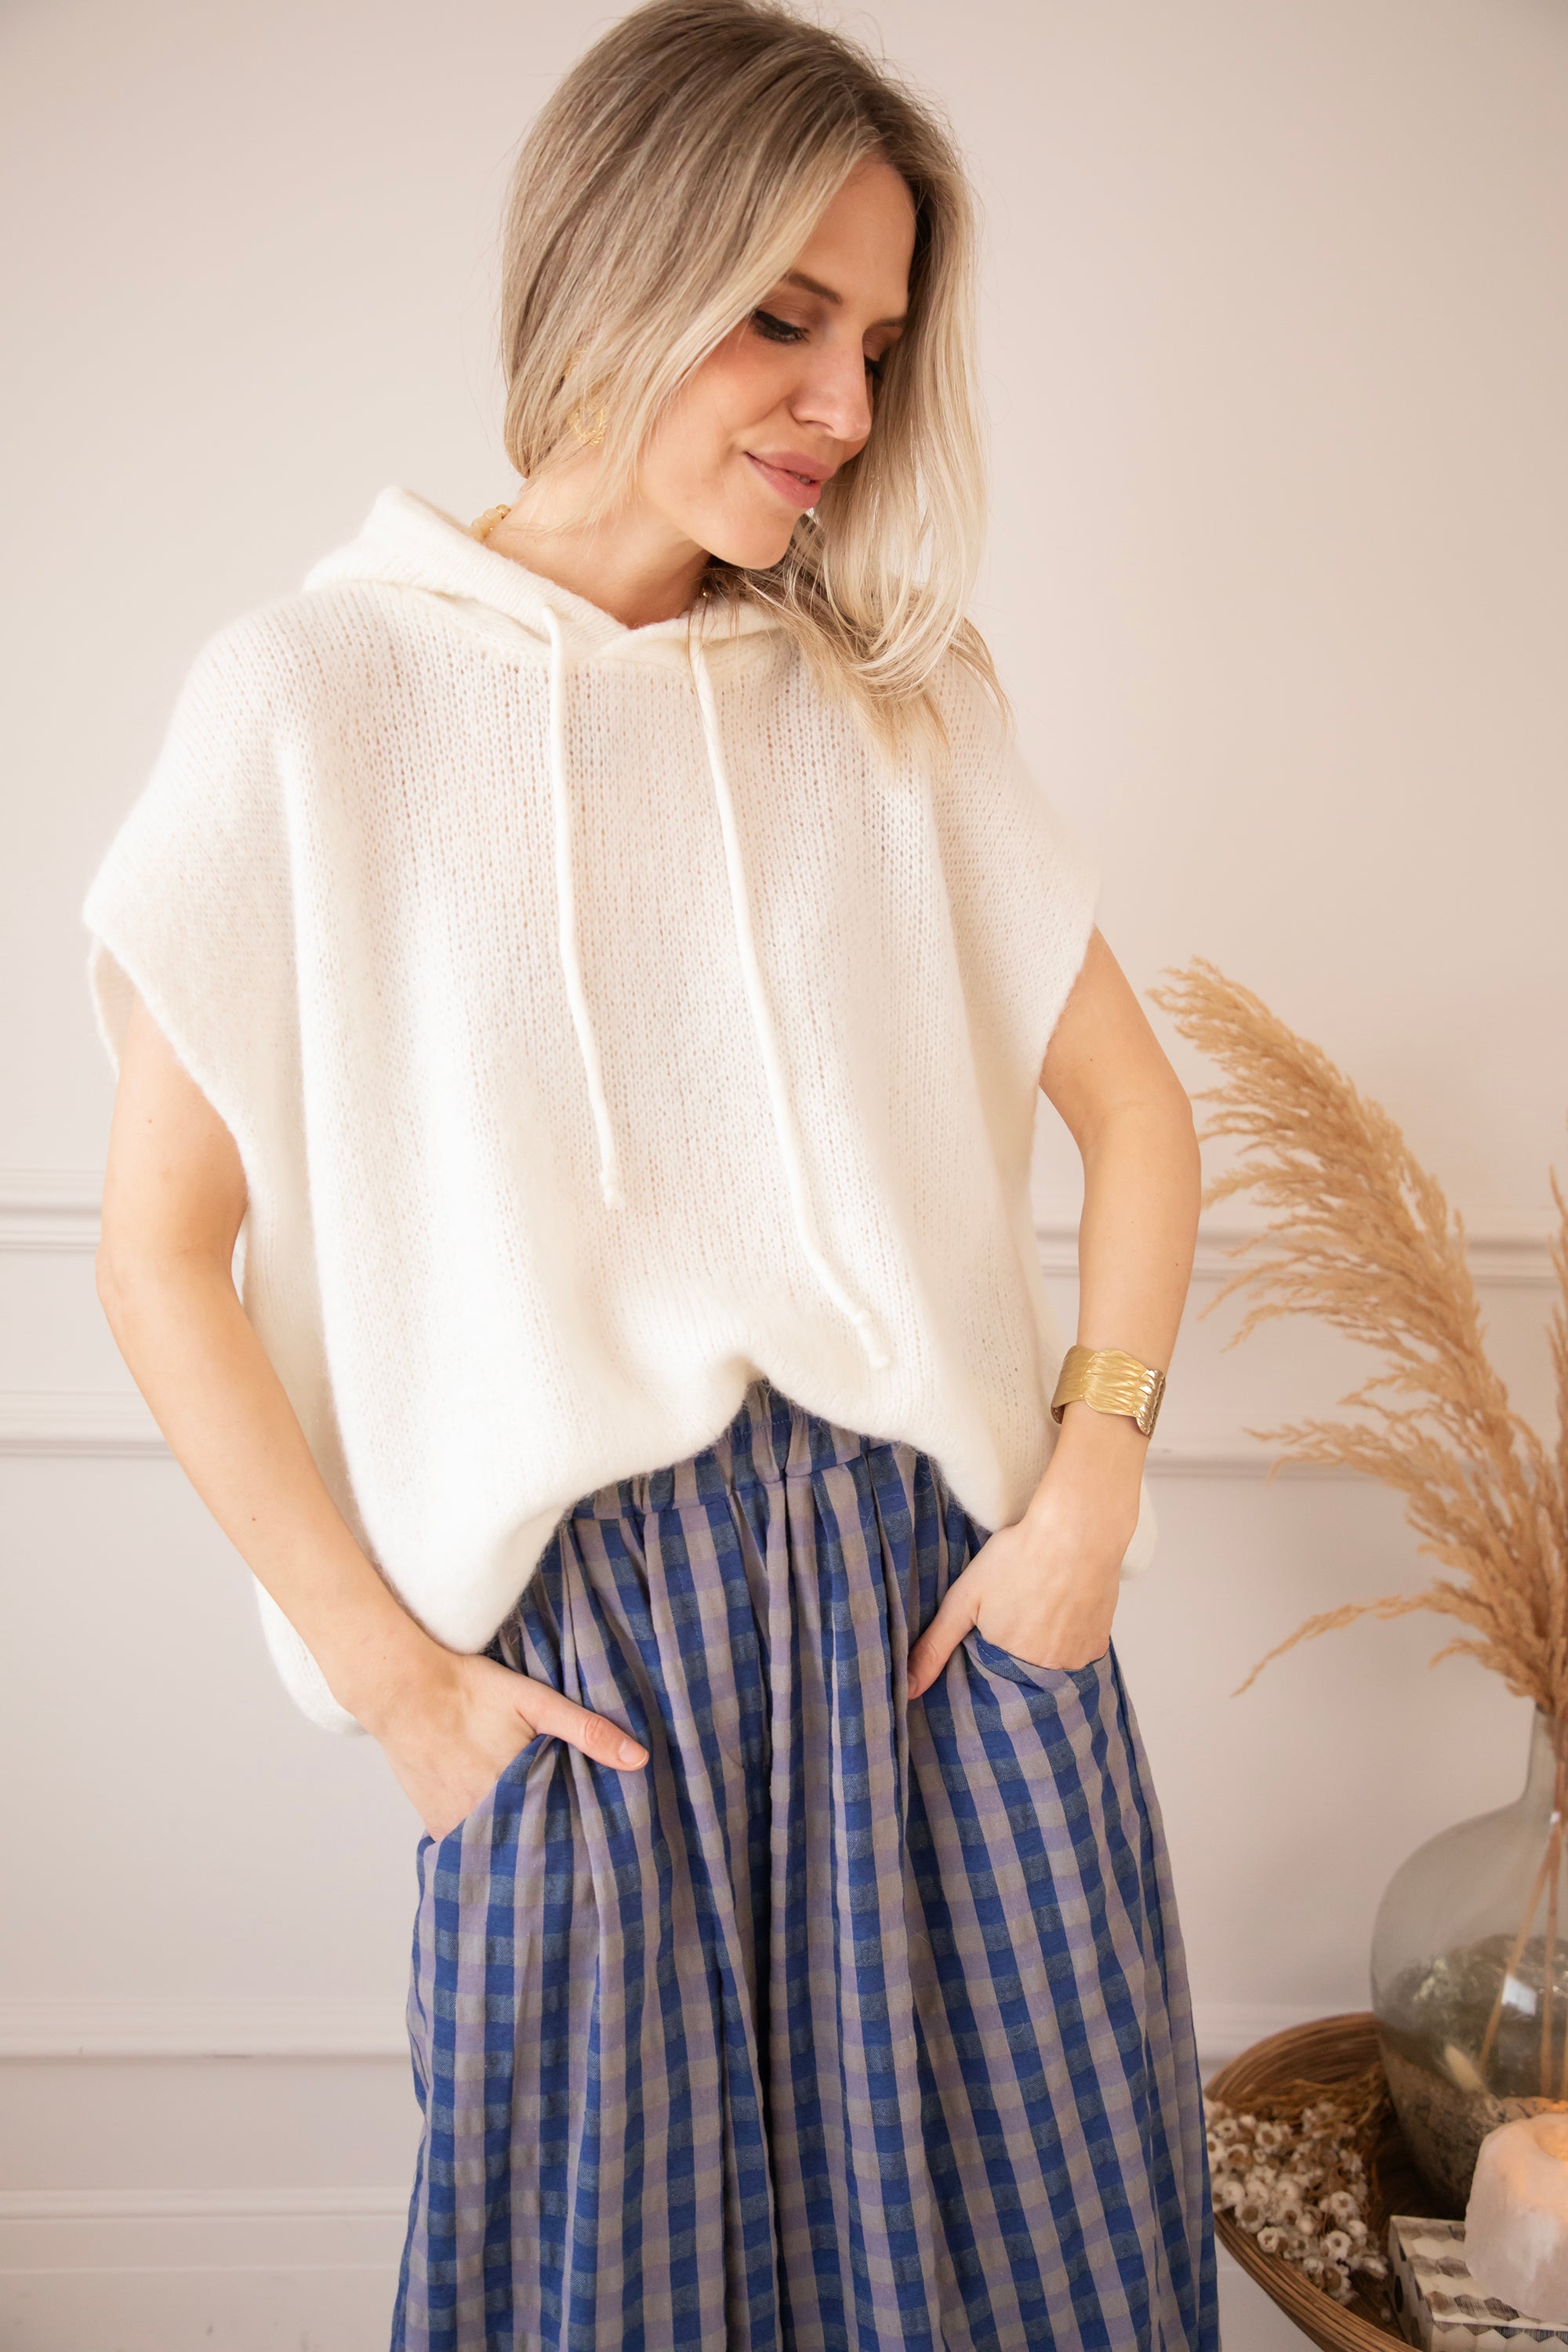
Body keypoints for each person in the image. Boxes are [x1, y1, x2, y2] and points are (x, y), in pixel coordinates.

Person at [81, 0, 1217, 2343]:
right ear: (615, 265)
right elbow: (156, 1260)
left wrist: (1092, 1490)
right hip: (589, 1681)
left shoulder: (897, 699)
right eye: (784, 318)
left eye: (878, 343)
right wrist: (403, 1693)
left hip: (940, 1624)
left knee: (1052, 2285)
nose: (846, 408)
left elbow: (1137, 1112)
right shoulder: (311, 702)